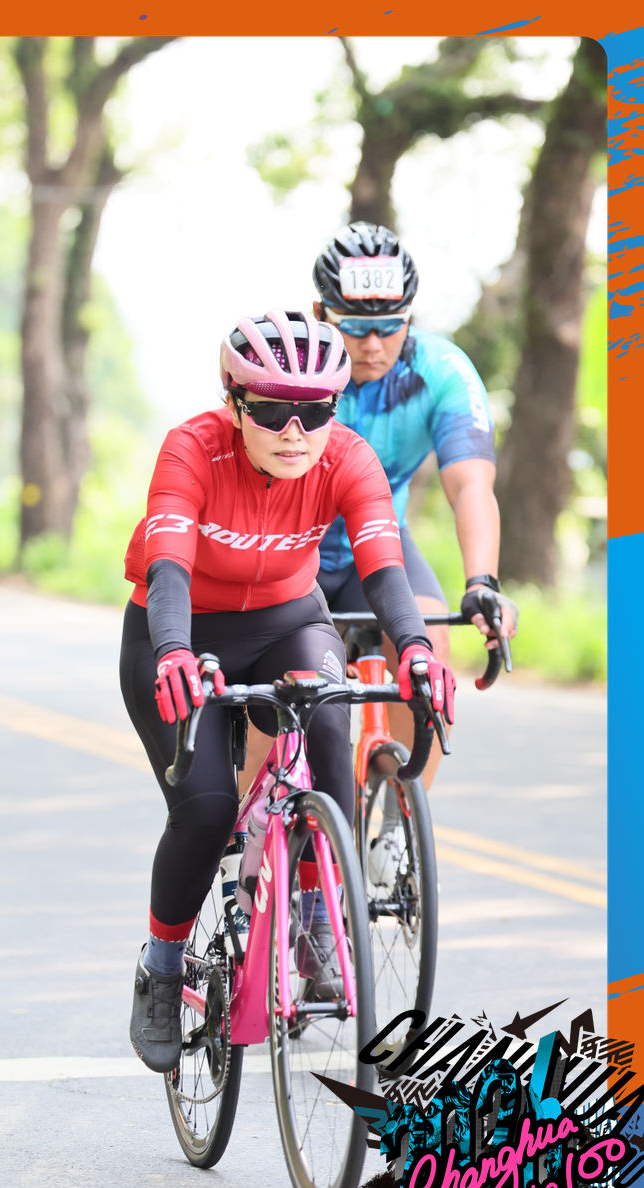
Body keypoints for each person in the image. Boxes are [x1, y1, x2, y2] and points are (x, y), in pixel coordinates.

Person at [119, 309, 455, 1074]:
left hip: (287, 623)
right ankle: (162, 969)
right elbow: (167, 567)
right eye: (272, 411)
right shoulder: (191, 448)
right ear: (234, 403)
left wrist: (413, 648)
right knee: (205, 809)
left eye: (315, 411)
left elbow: (382, 569)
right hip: (178, 633)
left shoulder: (348, 458)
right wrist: (173, 651)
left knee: (329, 729)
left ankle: (314, 922)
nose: (295, 431)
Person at [311, 220, 517, 786]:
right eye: (355, 329)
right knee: (287, 684)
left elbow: (471, 485)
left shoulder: (441, 371)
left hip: (378, 544)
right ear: (321, 313)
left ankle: (397, 817)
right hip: (291, 546)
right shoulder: (294, 362)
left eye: (390, 327)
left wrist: (482, 582)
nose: (372, 346)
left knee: (430, 644)